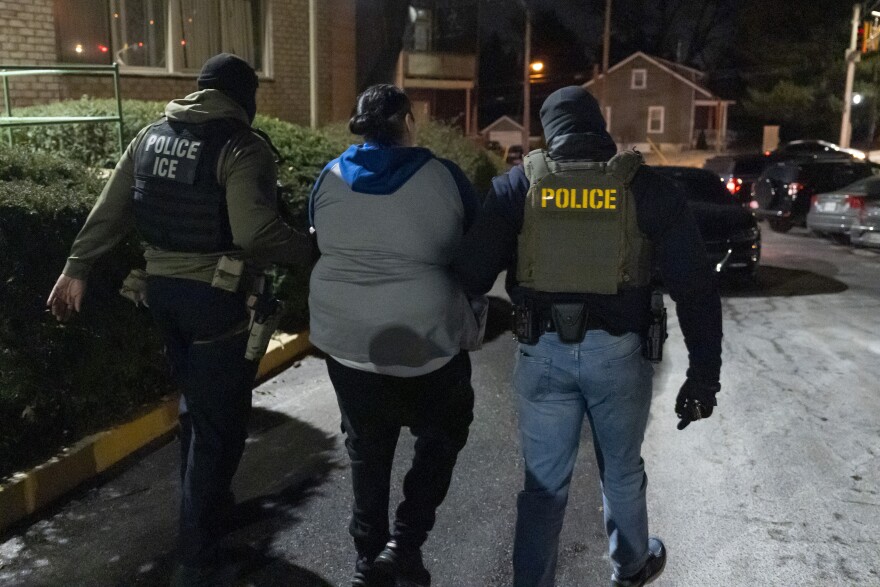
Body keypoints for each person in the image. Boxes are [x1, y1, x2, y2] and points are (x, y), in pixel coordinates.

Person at [46, 53, 313, 586]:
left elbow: (112, 207)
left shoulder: (150, 137)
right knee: (221, 426)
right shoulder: (242, 146)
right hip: (215, 302)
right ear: (246, 97)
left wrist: (76, 266)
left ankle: (210, 513)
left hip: (161, 298)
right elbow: (256, 234)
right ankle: (195, 557)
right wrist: (313, 250)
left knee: (198, 414)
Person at [452, 86, 723, 587]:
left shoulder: (518, 187)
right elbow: (697, 287)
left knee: (543, 487)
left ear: (548, 130)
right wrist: (704, 377)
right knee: (621, 471)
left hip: (542, 354)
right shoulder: (645, 187)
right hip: (619, 354)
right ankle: (630, 566)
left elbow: (469, 274)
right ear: (598, 128)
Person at [308, 84, 480, 587]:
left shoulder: (329, 175)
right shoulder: (442, 176)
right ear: (407, 119)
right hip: (426, 340)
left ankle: (367, 560)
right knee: (445, 432)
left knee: (367, 446)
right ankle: (405, 543)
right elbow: (473, 249)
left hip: (348, 341)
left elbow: (320, 238)